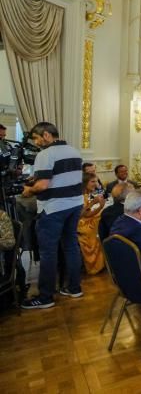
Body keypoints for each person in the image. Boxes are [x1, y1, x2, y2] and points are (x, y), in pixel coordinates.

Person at [21, 122, 84, 309]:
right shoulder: (74, 150)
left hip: (54, 207)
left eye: (37, 138)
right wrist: (38, 180)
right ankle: (74, 288)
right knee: (71, 246)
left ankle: (45, 297)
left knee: (48, 252)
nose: (36, 142)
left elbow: (42, 186)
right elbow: (62, 176)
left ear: (47, 135)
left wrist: (28, 190)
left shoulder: (45, 154)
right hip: (75, 204)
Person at [77, 173, 106, 275]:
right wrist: (96, 204)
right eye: (93, 181)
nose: (96, 184)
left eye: (97, 181)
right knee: (101, 226)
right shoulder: (80, 196)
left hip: (88, 220)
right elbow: (82, 215)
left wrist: (99, 207)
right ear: (85, 183)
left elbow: (88, 213)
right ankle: (96, 264)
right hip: (82, 224)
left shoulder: (87, 194)